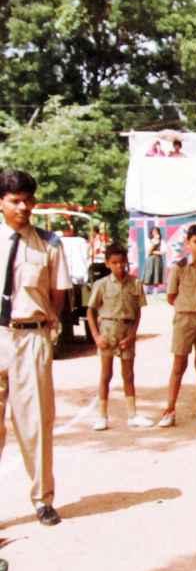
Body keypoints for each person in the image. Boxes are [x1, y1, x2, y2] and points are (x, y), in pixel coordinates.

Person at [0, 170, 71, 526]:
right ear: (1, 202)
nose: (23, 207)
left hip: (31, 337)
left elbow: (58, 294)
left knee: (36, 422)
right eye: (15, 200)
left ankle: (43, 500)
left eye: (28, 200)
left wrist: (46, 326)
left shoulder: (49, 244)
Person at [156, 224, 196, 428]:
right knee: (179, 365)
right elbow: (171, 296)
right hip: (184, 320)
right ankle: (169, 410)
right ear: (188, 244)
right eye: (195, 242)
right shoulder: (179, 267)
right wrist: (186, 307)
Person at [86, 244, 152, 431]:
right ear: (107, 264)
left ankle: (132, 415)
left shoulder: (135, 283)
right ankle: (102, 416)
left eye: (122, 262)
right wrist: (96, 336)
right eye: (114, 262)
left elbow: (138, 312)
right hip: (108, 331)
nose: (119, 266)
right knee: (106, 375)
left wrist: (132, 335)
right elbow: (90, 311)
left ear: (127, 262)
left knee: (128, 375)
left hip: (126, 331)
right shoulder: (101, 285)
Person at [143, 226, 166, 295]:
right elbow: (148, 251)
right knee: (148, 274)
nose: (155, 233)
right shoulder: (149, 241)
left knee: (156, 275)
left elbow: (163, 252)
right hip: (150, 260)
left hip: (158, 260)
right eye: (154, 231)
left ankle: (155, 291)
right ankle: (145, 291)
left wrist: (154, 252)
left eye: (156, 231)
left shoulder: (161, 241)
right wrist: (155, 243)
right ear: (151, 233)